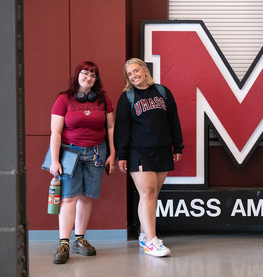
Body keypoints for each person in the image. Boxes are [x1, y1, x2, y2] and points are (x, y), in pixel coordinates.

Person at [114, 58, 183, 257]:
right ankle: (152, 241)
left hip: (162, 150)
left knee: (153, 195)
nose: (134, 75)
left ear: (144, 70)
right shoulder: (127, 97)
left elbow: (173, 120)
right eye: (129, 74)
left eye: (136, 71)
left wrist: (177, 146)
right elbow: (122, 128)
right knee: (148, 193)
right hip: (139, 151)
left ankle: (145, 235)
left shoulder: (162, 92)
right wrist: (122, 154)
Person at [49, 61, 116, 264]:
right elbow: (56, 132)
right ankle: (63, 243)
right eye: (85, 73)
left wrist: (112, 154)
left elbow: (111, 127)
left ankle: (80, 239)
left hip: (97, 153)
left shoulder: (103, 99)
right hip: (70, 154)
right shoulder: (64, 99)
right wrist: (54, 160)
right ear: (77, 75)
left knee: (87, 197)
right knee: (69, 198)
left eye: (93, 75)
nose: (89, 77)